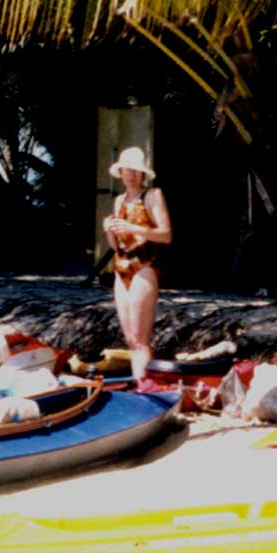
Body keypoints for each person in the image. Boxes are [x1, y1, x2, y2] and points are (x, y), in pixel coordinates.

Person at [102, 146, 172, 380]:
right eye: (127, 170)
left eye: (136, 170)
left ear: (142, 173)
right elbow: (116, 246)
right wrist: (109, 230)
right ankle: (139, 382)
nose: (131, 175)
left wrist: (133, 227)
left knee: (141, 339)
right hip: (121, 268)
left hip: (144, 266)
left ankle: (144, 386)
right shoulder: (119, 201)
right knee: (131, 339)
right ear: (120, 172)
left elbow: (166, 235)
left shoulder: (152, 195)